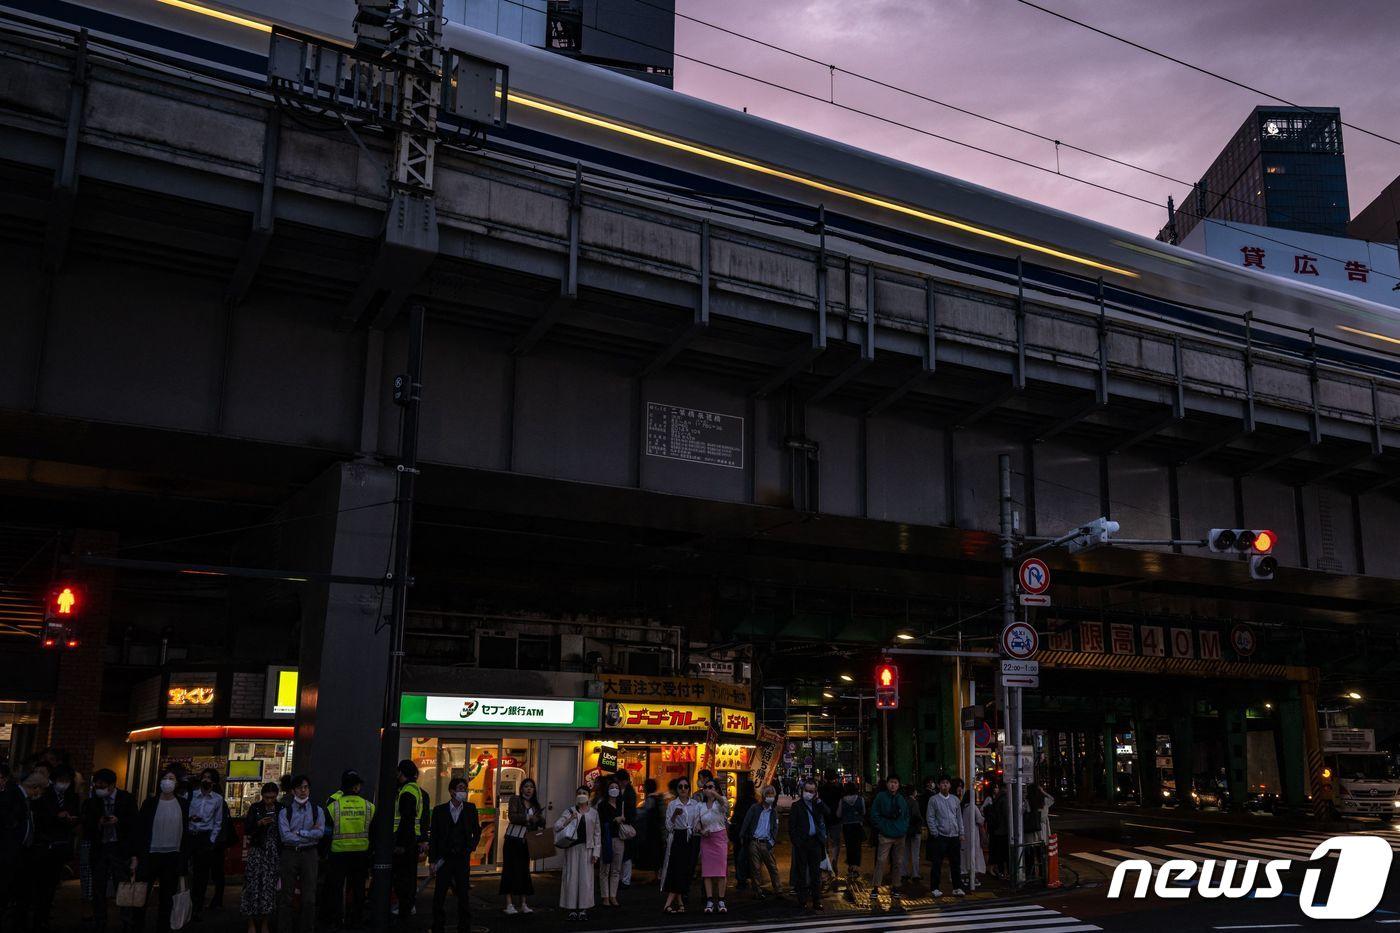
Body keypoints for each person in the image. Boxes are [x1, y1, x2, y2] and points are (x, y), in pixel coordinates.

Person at [133, 766, 190, 933]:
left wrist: (183, 859)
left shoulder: (183, 804)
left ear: (177, 783)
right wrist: (136, 856)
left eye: (172, 779)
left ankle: (163, 927)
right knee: (142, 894)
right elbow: (140, 830)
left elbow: (185, 833)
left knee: (167, 897)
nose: (167, 782)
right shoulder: (149, 803)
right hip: (150, 854)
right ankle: (137, 926)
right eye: (165, 778)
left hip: (172, 856)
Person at [82, 768, 138, 933]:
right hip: (100, 847)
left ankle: (127, 920)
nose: (99, 788)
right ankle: (100, 920)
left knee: (123, 885)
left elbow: (134, 825)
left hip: (119, 848)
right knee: (98, 886)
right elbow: (87, 825)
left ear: (113, 785)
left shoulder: (126, 799)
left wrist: (118, 821)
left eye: (103, 785)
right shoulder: (93, 802)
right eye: (96, 785)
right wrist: (98, 823)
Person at [325, 769, 375, 930]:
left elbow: (326, 833)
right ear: (356, 787)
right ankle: (357, 920)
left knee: (337, 888)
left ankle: (338, 920)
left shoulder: (333, 806)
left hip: (338, 854)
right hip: (361, 854)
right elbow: (374, 833)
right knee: (359, 888)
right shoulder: (369, 806)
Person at [429, 777, 480, 933]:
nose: (463, 791)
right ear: (451, 791)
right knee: (440, 892)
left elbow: (476, 832)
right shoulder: (439, 811)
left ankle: (464, 924)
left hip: (462, 857)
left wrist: (470, 847)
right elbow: (434, 836)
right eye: (460, 788)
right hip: (445, 857)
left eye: (465, 788)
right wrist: (432, 860)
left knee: (463, 892)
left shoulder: (470, 809)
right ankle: (438, 923)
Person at [277, 774, 325, 933]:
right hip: (290, 853)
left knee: (309, 897)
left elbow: (320, 833)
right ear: (293, 791)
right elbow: (285, 836)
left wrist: (300, 834)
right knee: (286, 895)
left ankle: (306, 929)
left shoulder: (317, 811)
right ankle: (285, 929)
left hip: (309, 854)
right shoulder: (286, 812)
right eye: (299, 788)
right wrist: (308, 835)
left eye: (306, 787)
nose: (303, 791)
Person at [240, 782, 282, 933]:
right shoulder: (255, 808)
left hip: (272, 853)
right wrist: (259, 824)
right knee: (252, 886)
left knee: (268, 888)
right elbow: (247, 829)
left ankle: (264, 921)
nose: (269, 801)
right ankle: (251, 922)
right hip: (258, 851)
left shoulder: (281, 809)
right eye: (266, 797)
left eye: (272, 798)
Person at [554, 785, 600, 921]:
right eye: (579, 792)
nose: (581, 794)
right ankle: (572, 909)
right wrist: (569, 819)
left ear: (589, 795)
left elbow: (597, 834)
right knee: (571, 878)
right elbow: (557, 826)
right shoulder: (569, 811)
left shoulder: (594, 813)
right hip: (572, 848)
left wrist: (596, 853)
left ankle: (584, 909)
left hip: (587, 849)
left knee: (585, 880)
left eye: (584, 792)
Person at [391, 759, 428, 921]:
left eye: (398, 771)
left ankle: (404, 909)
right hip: (413, 839)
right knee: (409, 877)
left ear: (401, 772)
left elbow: (407, 819)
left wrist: (400, 844)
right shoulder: (416, 790)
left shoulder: (406, 792)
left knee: (403, 878)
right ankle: (407, 907)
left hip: (405, 841)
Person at [500, 777, 543, 915]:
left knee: (524, 871)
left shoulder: (535, 804)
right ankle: (509, 904)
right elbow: (512, 817)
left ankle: (523, 903)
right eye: (526, 786)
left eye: (531, 787)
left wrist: (540, 819)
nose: (529, 789)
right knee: (510, 870)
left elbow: (540, 821)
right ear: (521, 788)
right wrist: (528, 818)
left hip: (526, 842)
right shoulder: (515, 800)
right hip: (513, 840)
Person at [187, 767, 224, 921]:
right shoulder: (191, 795)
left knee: (200, 876)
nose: (206, 780)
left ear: (214, 782)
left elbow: (218, 821)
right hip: (190, 835)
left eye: (209, 778)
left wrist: (211, 839)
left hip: (204, 838)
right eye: (204, 777)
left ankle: (196, 907)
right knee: (185, 870)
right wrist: (190, 819)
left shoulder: (217, 799)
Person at [869, 773, 908, 914]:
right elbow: (874, 814)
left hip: (899, 834)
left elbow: (906, 816)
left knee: (898, 862)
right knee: (881, 861)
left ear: (898, 785)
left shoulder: (901, 799)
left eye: (895, 782)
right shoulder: (881, 797)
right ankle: (875, 888)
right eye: (891, 782)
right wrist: (883, 826)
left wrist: (903, 828)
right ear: (887, 784)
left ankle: (896, 887)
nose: (893, 785)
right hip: (886, 834)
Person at [661, 777, 700, 913]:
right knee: (677, 869)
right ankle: (670, 903)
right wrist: (674, 816)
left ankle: (679, 902)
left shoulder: (695, 804)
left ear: (689, 789)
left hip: (692, 838)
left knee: (686, 870)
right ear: (677, 789)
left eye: (686, 786)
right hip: (678, 837)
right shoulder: (673, 805)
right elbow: (669, 826)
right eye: (680, 787)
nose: (683, 789)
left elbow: (698, 822)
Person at [787, 778, 825, 911]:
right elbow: (792, 827)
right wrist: (797, 842)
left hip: (815, 842)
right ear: (802, 791)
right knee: (801, 872)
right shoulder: (796, 806)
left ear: (815, 792)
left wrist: (819, 801)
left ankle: (816, 900)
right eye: (807, 790)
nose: (809, 793)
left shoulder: (816, 804)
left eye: (812, 791)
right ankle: (802, 899)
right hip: (802, 843)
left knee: (815, 873)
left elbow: (827, 813)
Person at [738, 783, 781, 897]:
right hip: (755, 841)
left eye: (772, 794)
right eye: (768, 794)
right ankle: (757, 890)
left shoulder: (774, 811)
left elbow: (776, 827)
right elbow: (747, 821)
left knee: (772, 867)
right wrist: (742, 835)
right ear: (763, 795)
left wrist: (772, 841)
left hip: (767, 842)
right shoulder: (755, 808)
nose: (770, 796)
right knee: (755, 868)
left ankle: (778, 889)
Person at [926, 775, 964, 897]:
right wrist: (935, 832)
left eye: (947, 783)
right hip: (940, 836)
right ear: (938, 785)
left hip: (954, 835)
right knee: (937, 863)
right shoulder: (933, 800)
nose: (945, 785)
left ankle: (957, 887)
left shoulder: (955, 800)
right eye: (942, 783)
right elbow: (930, 817)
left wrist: (961, 832)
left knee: (955, 863)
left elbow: (959, 818)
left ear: (950, 785)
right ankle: (935, 888)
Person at [696, 777, 729, 913]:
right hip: (706, 839)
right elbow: (696, 823)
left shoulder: (721, 802)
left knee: (721, 872)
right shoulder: (700, 806)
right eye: (706, 787)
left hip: (720, 837)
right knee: (707, 872)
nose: (708, 789)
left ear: (716, 789)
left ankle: (721, 900)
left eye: (711, 787)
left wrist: (714, 794)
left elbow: (724, 804)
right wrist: (701, 830)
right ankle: (709, 900)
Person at [595, 776, 625, 909]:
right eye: (612, 788)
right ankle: (605, 896)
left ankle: (613, 895)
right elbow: (601, 822)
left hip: (619, 838)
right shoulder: (602, 805)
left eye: (616, 788)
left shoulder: (621, 803)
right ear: (607, 790)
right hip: (606, 838)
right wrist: (614, 820)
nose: (614, 790)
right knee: (605, 869)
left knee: (616, 869)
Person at [836, 780, 866, 902]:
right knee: (857, 846)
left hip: (847, 825)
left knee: (849, 846)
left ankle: (850, 866)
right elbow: (864, 812)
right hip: (857, 825)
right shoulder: (860, 799)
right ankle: (855, 866)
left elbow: (838, 814)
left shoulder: (842, 800)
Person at [729, 776, 756, 892]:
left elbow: (736, 817)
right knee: (751, 858)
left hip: (739, 834)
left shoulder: (740, 800)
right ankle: (752, 879)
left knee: (739, 857)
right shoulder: (754, 802)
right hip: (750, 835)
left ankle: (741, 880)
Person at [817, 770, 842, 889]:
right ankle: (834, 860)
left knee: (824, 842)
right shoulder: (838, 789)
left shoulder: (821, 789)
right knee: (836, 842)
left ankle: (826, 862)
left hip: (824, 818)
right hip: (836, 819)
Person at [961, 784, 987, 889]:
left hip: (964, 836)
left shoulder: (963, 807)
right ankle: (973, 878)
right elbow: (980, 820)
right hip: (974, 835)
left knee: (966, 856)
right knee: (975, 856)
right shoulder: (973, 807)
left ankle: (966, 877)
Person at [616, 769, 638, 889]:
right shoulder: (629, 792)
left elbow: (630, 810)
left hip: (624, 824)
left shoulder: (627, 793)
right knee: (625, 854)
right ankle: (624, 879)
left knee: (625, 854)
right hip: (626, 824)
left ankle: (624, 879)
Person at [984, 782, 1009, 879]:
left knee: (999, 853)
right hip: (1003, 830)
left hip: (996, 830)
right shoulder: (1003, 798)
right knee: (1005, 853)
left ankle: (1000, 871)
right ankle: (1004, 873)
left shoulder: (996, 798)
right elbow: (1006, 815)